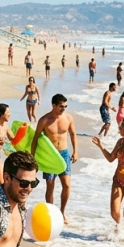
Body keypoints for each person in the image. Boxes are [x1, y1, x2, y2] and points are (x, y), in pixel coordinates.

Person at [32, 94, 78, 224]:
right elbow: (35, 138)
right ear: (54, 105)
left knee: (67, 185)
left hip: (64, 153)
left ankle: (62, 212)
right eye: (61, 106)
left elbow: (73, 134)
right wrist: (33, 157)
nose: (64, 109)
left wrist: (75, 152)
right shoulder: (44, 120)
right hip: (50, 156)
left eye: (65, 106)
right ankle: (51, 213)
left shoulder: (68, 118)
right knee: (50, 185)